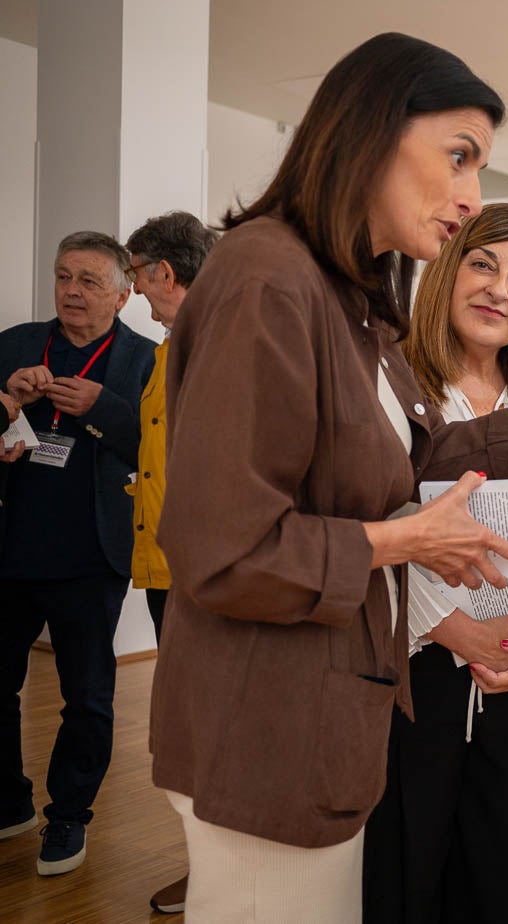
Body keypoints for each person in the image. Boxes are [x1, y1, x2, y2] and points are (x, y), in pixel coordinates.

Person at [149, 33, 508, 923]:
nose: (471, 197)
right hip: (268, 730)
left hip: (330, 719)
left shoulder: (344, 300)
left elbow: (419, 461)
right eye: (460, 156)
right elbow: (223, 546)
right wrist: (404, 540)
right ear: (368, 133)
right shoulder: (267, 279)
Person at [363, 202, 508, 923]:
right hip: (412, 675)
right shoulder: (397, 388)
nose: (500, 289)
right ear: (446, 270)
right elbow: (376, 524)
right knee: (409, 869)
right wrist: (445, 627)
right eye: (483, 264)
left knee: (503, 874)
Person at [0, 231, 157, 876]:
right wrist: (6, 400)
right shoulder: (15, 342)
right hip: (9, 549)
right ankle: (10, 802)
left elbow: (156, 450)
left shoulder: (145, 362)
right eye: (64, 276)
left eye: (90, 281)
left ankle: (69, 817)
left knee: (87, 698)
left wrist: (105, 409)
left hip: (92, 558)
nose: (72, 291)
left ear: (123, 294)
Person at [123, 210, 219, 914]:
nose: (133, 292)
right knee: (188, 732)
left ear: (163, 272)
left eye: (134, 276)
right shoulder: (168, 347)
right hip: (168, 566)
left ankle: (216, 870)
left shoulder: (211, 343)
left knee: (206, 733)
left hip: (200, 573)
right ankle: (210, 864)